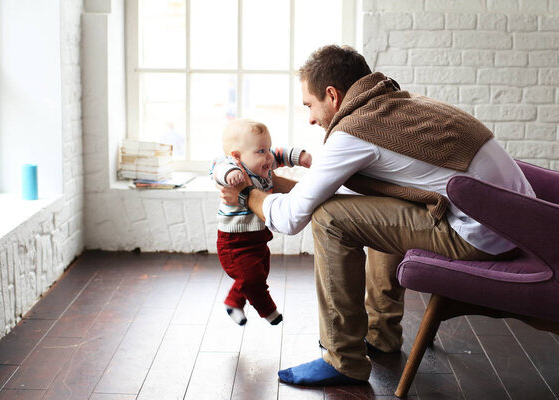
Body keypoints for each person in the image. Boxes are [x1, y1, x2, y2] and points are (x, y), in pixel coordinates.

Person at [219, 45, 535, 386]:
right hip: (513, 220)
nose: (310, 117)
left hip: (483, 232)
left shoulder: (355, 130)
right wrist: (276, 183)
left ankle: (343, 360)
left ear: (332, 95)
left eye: (310, 104)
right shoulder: (397, 105)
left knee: (329, 219)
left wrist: (247, 194)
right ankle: (381, 335)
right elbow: (351, 192)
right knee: (365, 204)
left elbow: (291, 220)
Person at [210, 118, 312, 326]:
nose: (268, 156)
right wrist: (231, 174)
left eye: (268, 149)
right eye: (261, 151)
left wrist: (300, 157)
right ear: (237, 156)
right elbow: (216, 168)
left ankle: (233, 301)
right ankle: (268, 310)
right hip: (234, 241)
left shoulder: (262, 162)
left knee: (259, 273)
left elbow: (280, 154)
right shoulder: (234, 166)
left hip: (258, 237)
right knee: (252, 278)